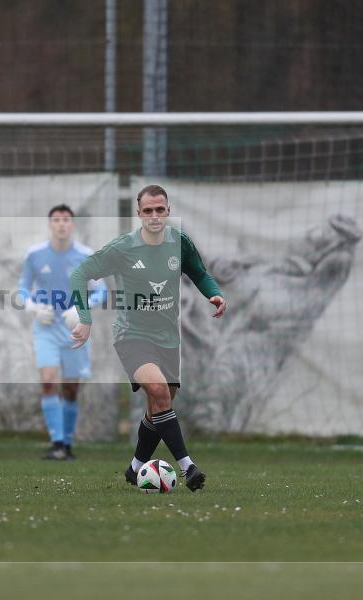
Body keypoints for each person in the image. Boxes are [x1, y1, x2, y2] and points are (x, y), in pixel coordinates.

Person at [69, 185, 226, 491]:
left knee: (159, 406)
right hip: (132, 335)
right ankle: (188, 467)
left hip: (168, 337)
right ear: (138, 213)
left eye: (160, 210)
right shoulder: (123, 248)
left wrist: (214, 294)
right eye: (148, 211)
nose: (155, 216)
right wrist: (85, 319)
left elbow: (199, 273)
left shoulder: (179, 243)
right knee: (157, 390)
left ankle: (134, 468)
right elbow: (79, 274)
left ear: (168, 211)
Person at [18, 204, 106, 460]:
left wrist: (82, 309)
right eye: (56, 220)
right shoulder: (35, 254)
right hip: (45, 327)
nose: (61, 224)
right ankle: (56, 443)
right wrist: (32, 307)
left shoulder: (86, 255)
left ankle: (66, 444)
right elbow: (22, 288)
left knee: (70, 388)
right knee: (48, 380)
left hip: (74, 329)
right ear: (50, 225)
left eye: (66, 219)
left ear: (73, 225)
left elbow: (101, 291)